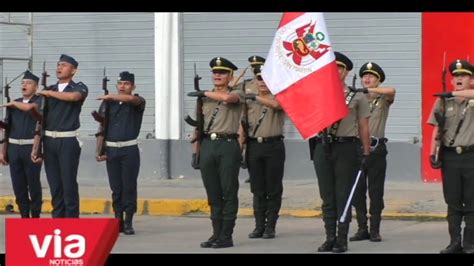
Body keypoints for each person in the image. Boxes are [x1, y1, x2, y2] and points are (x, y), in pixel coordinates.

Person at [309, 51, 371, 253]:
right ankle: (329, 237)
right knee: (327, 195)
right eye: (331, 67)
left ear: (346, 71)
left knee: (343, 195)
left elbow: (363, 125)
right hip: (323, 146)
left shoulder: (357, 96)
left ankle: (342, 239)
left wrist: (366, 151)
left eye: (339, 68)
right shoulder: (319, 93)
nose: (335, 71)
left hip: (346, 147)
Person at [187, 57, 243, 248]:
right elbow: (199, 128)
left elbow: (228, 99)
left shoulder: (237, 92)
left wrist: (204, 92)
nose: (217, 75)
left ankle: (226, 235)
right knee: (213, 193)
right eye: (215, 72)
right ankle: (216, 233)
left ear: (230, 76)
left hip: (227, 144)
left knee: (228, 191)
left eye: (222, 72)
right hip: (208, 146)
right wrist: (196, 153)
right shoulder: (204, 99)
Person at [428, 59, 474, 253]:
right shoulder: (443, 101)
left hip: (471, 157)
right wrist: (432, 152)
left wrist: (452, 93)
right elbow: (437, 128)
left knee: (472, 201)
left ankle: (470, 243)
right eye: (455, 76)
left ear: (471, 79)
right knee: (453, 201)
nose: (458, 79)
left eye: (463, 75)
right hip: (450, 158)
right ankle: (454, 242)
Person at [36, 54, 88, 218]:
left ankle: (71, 221)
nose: (59, 68)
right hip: (49, 140)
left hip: (67, 140)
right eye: (58, 65)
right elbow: (39, 117)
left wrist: (47, 94)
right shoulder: (49, 89)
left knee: (68, 183)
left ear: (73, 70)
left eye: (64, 65)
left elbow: (73, 98)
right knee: (55, 184)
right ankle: (57, 220)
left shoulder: (78, 87)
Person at [350, 62, 396, 242]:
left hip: (376, 149)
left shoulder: (383, 99)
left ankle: (375, 229)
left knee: (376, 191)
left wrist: (372, 91)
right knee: (357, 191)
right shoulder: (356, 99)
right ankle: (362, 228)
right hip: (356, 149)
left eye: (371, 76)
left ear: (378, 81)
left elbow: (392, 91)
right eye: (365, 76)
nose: (367, 79)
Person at [96, 71, 145, 235]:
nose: (122, 86)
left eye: (126, 84)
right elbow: (101, 128)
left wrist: (111, 97)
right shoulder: (108, 103)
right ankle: (118, 220)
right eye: (120, 83)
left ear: (133, 86)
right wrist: (99, 149)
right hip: (111, 149)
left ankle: (129, 221)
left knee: (129, 186)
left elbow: (131, 99)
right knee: (116, 187)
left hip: (129, 149)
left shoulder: (137, 101)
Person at [245, 66, 286, 239]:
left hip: (273, 146)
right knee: (257, 188)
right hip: (254, 146)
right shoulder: (249, 100)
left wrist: (256, 96)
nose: (262, 82)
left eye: (266, 78)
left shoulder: (279, 97)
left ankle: (271, 226)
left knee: (273, 188)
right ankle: (259, 226)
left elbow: (277, 105)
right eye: (259, 78)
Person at [0, 70, 43, 218]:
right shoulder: (14, 104)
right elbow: (7, 128)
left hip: (31, 147)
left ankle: (35, 214)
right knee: (18, 184)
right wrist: (2, 151)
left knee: (33, 184)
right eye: (23, 83)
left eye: (29, 83)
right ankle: (24, 214)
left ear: (36, 87)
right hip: (14, 148)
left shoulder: (40, 102)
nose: (24, 85)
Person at [234, 55, 266, 183]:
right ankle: (249, 172)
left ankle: (259, 173)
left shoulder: (268, 82)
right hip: (246, 118)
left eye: (257, 66)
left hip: (263, 118)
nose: (254, 69)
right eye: (252, 66)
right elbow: (232, 88)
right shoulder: (246, 84)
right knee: (244, 143)